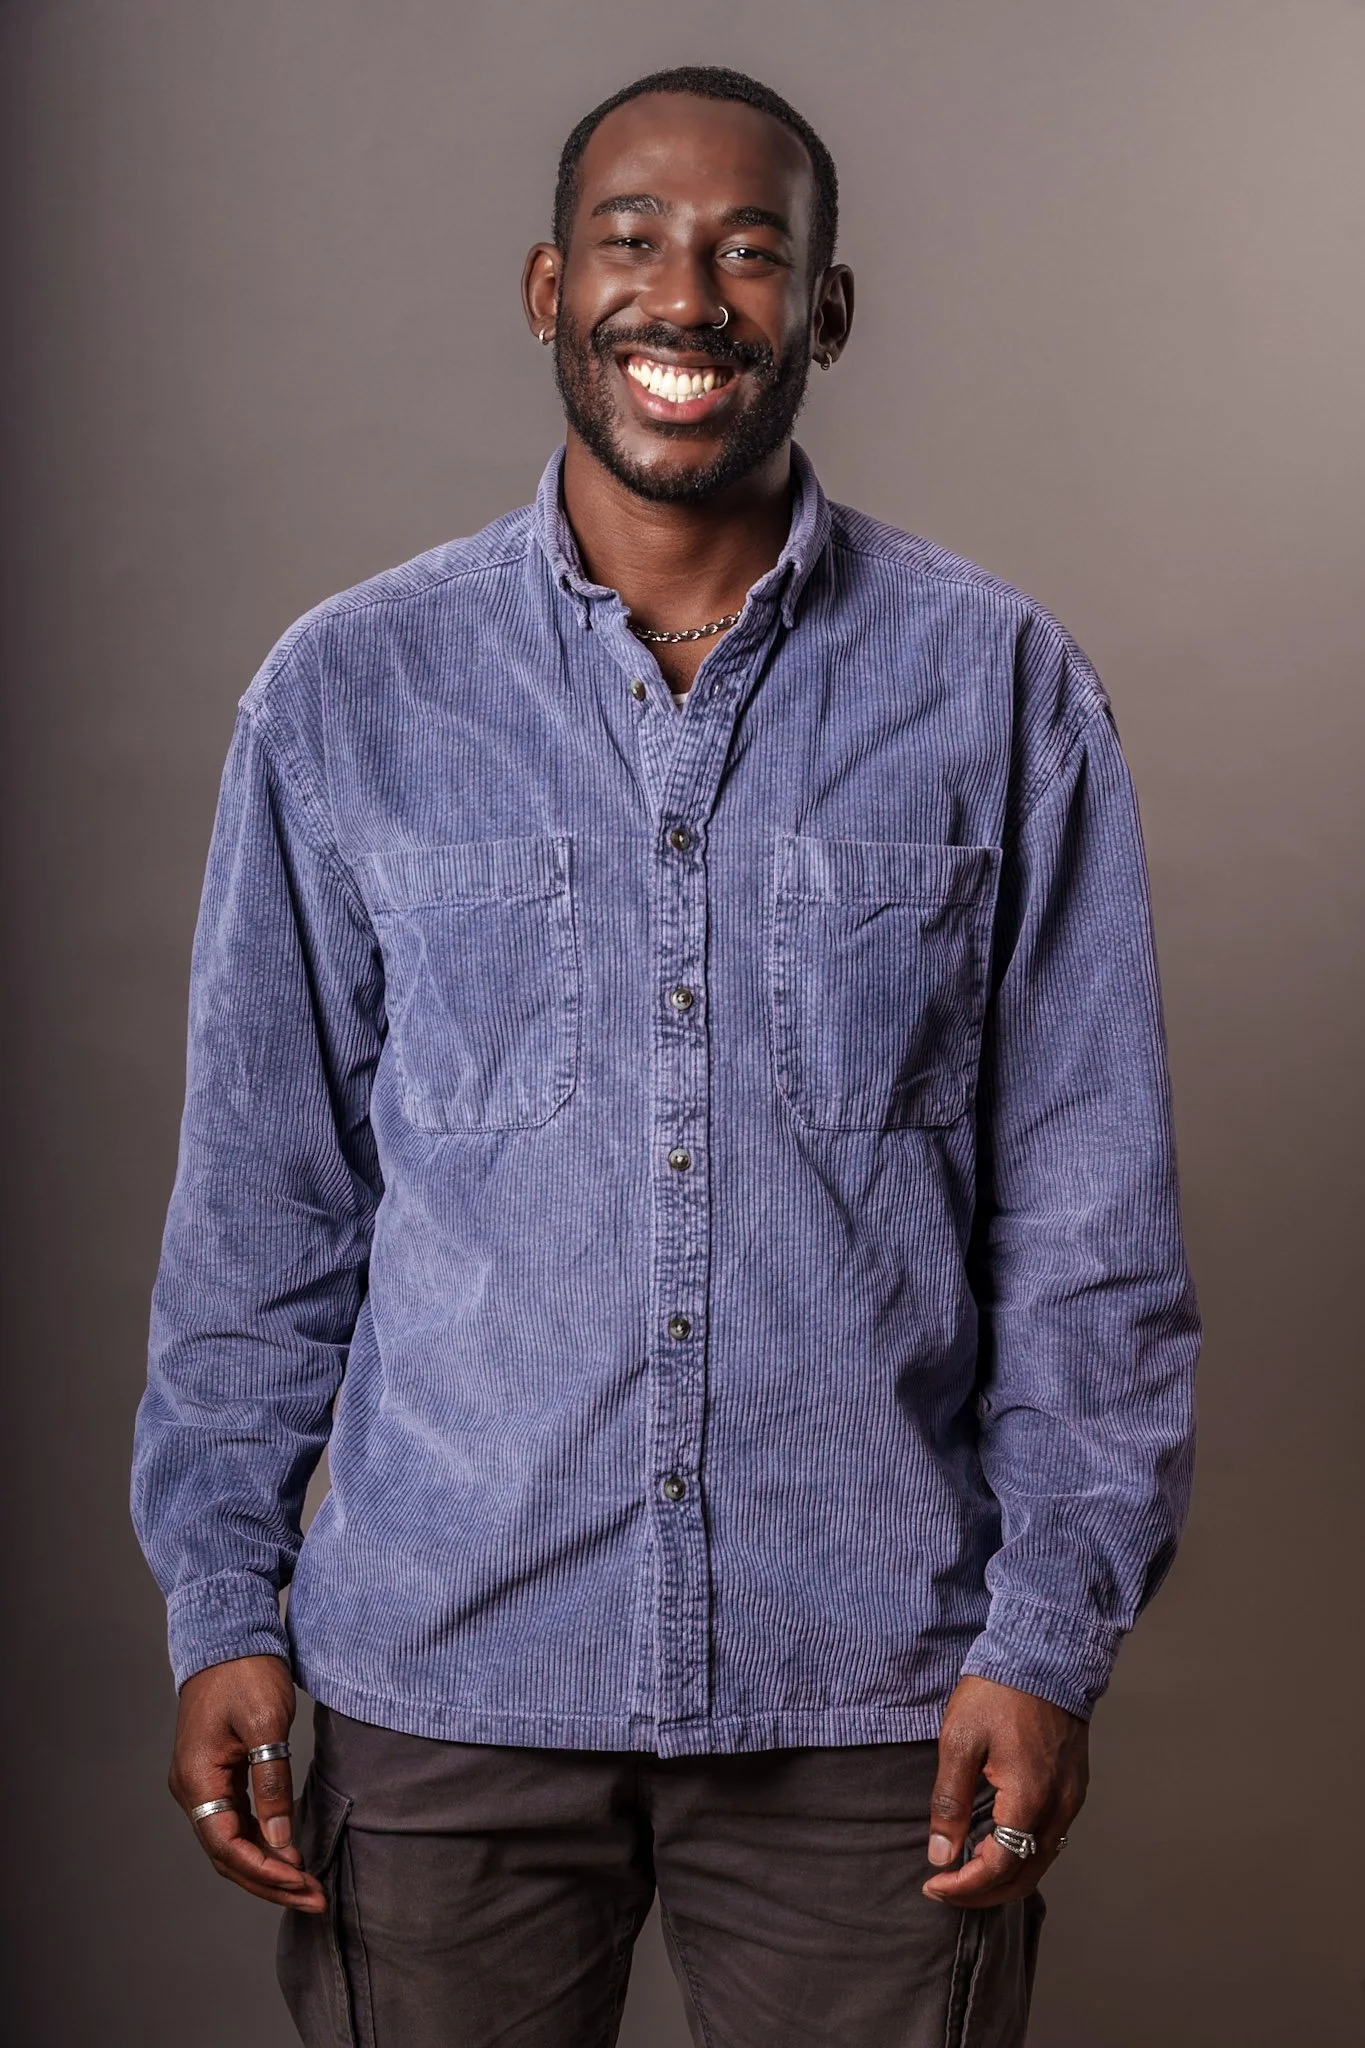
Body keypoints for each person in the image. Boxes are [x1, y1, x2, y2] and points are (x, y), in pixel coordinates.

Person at [131, 64, 1200, 2048]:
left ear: (826, 310)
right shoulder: (346, 696)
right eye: (632, 240)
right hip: (442, 1687)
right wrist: (222, 1600)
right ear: (549, 286)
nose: (685, 294)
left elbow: (1089, 1232)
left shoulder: (997, 689)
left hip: (878, 1700)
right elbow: (262, 1215)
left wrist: (1047, 1637)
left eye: (748, 248)